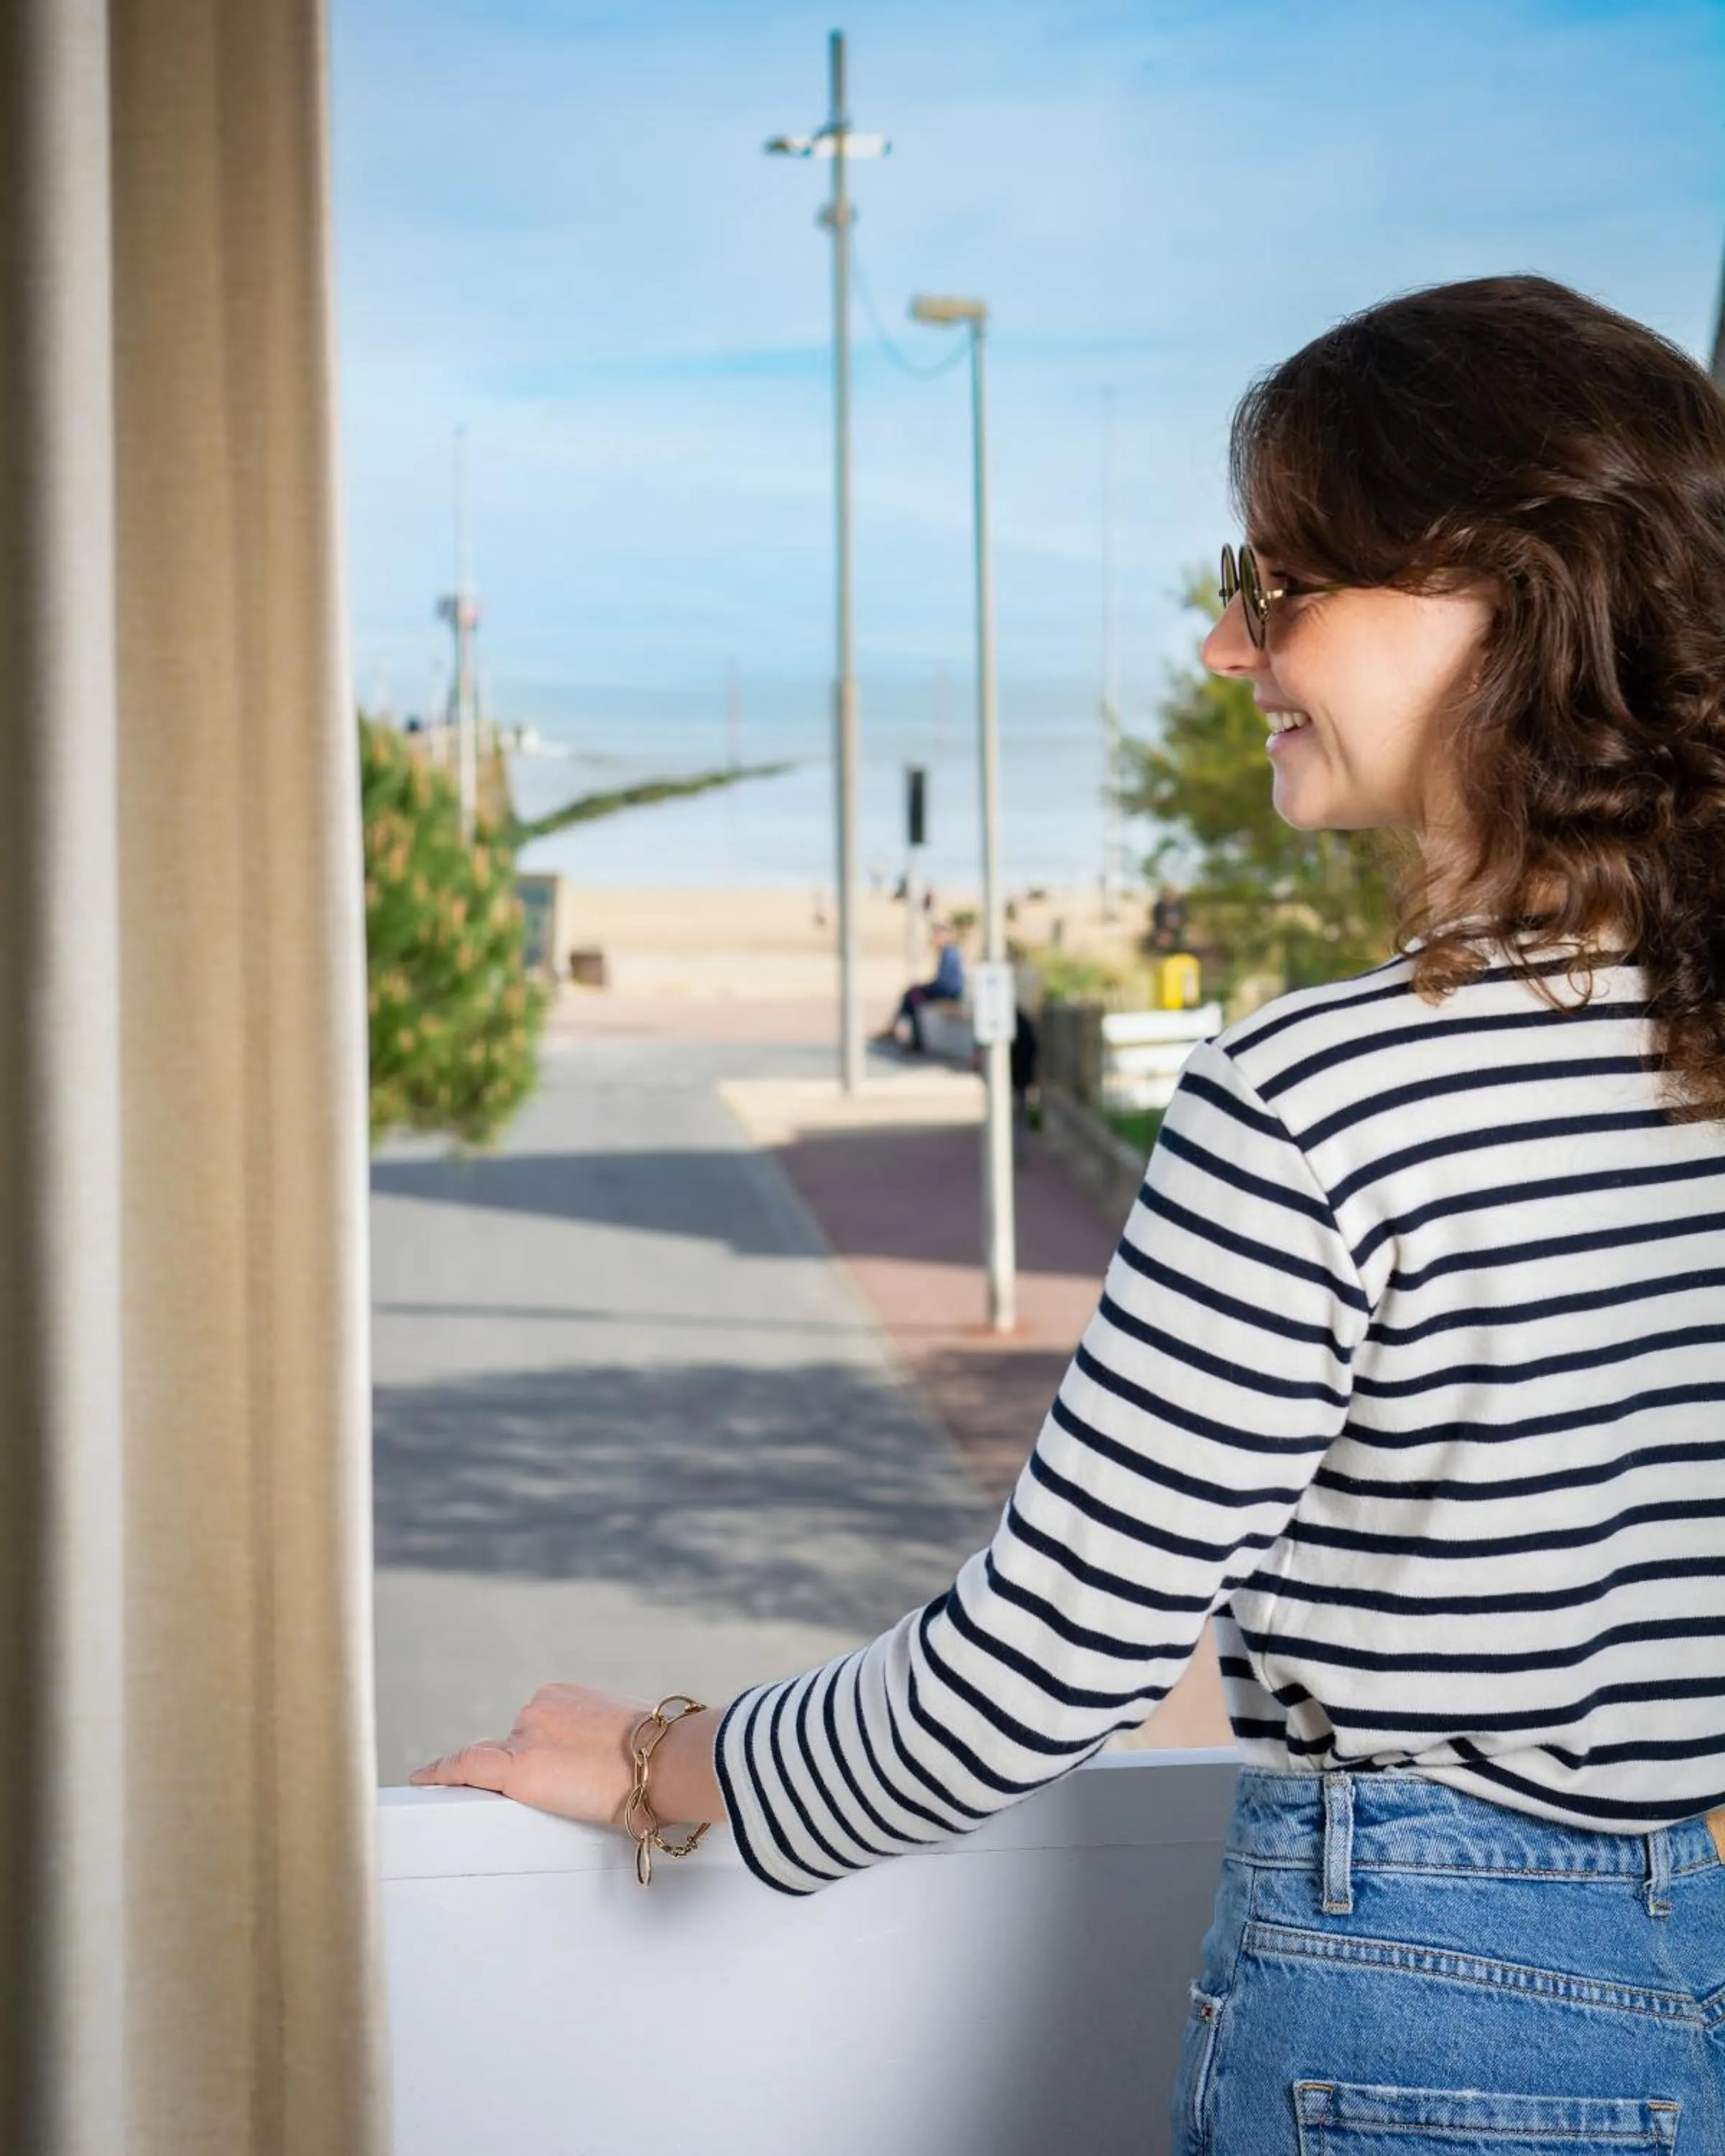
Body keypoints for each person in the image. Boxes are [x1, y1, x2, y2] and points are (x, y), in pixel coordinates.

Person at [412, 277, 1725, 2150]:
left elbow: (1043, 1670)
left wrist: (657, 1759)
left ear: (1499, 604)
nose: (1221, 647)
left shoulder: (1319, 1101)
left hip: (1413, 2014)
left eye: (1277, 587)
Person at [878, 921, 965, 1051]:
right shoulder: (947, 951)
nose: (935, 939)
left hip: (948, 991)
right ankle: (903, 1032)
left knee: (912, 996)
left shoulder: (949, 952)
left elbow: (946, 981)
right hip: (945, 989)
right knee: (913, 998)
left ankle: (908, 1036)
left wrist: (927, 987)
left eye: (937, 935)